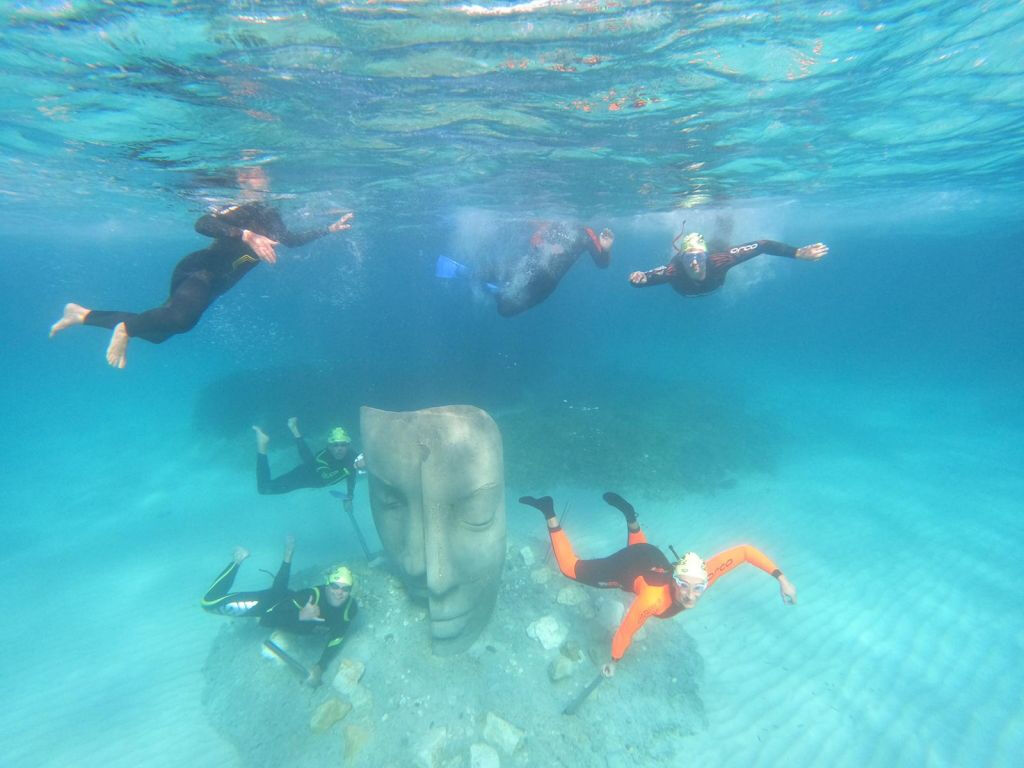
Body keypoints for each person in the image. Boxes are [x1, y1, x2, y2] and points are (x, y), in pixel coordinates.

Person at [520, 492, 796, 678]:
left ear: (704, 580)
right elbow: (627, 629)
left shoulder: (703, 574)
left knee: (644, 553)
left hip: (650, 555)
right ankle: (549, 511)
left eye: (697, 587)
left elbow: (745, 552)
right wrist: (614, 661)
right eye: (684, 586)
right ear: (675, 580)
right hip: (630, 564)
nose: (690, 595)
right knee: (570, 569)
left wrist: (781, 579)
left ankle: (631, 516)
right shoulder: (651, 600)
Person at [49, 202, 354, 368]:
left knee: (160, 334)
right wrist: (245, 234)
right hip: (198, 271)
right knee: (181, 320)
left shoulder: (273, 217)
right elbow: (203, 223)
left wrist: (329, 228)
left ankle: (82, 315)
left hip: (214, 284)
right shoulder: (245, 210)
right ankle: (124, 329)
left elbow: (292, 240)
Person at [200, 535, 358, 687]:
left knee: (281, 593)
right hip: (266, 605)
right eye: (335, 586)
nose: (339, 592)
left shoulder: (350, 608)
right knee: (208, 603)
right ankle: (239, 558)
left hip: (285, 605)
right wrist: (301, 616)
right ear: (327, 586)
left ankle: (288, 552)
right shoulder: (310, 597)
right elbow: (272, 610)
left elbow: (338, 637)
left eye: (346, 589)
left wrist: (320, 667)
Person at [436, 221, 614, 316]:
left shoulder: (586, 233)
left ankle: (497, 292)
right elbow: (535, 237)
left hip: (546, 282)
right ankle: (462, 273)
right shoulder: (553, 220)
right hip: (524, 266)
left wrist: (606, 248)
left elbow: (602, 264)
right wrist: (545, 246)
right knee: (484, 273)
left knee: (505, 310)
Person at [628, 230, 828, 296]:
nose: (695, 263)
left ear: (707, 257)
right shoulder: (674, 270)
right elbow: (651, 276)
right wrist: (640, 279)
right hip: (686, 292)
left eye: (700, 257)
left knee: (722, 240)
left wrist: (798, 253)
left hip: (713, 267)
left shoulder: (719, 260)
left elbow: (763, 245)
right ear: (682, 258)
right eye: (689, 257)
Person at [253, 418, 364, 512]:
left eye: (343, 445)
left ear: (348, 446)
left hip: (313, 470)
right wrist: (355, 466)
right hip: (303, 476)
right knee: (264, 488)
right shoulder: (323, 456)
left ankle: (294, 429)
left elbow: (351, 476)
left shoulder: (352, 455)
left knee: (309, 459)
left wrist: (349, 497)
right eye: (335, 445)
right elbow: (327, 479)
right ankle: (262, 444)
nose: (339, 449)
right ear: (329, 447)